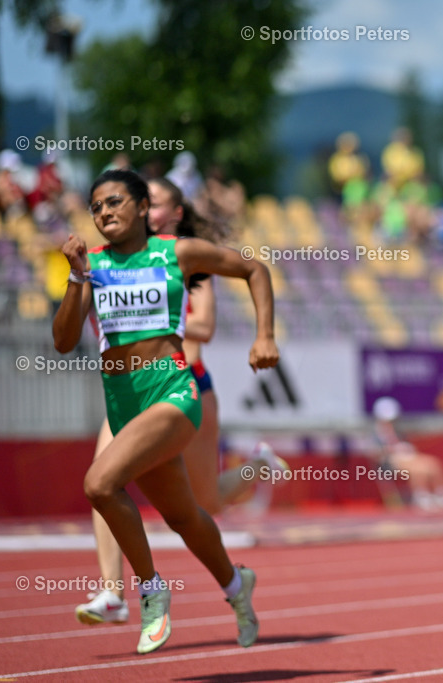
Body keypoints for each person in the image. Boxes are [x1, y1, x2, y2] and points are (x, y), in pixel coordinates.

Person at [52, 169, 278, 654]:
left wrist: (265, 337)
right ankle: (237, 586)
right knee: (184, 516)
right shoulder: (92, 266)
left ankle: (150, 590)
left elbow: (254, 269)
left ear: (139, 207)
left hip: (174, 392)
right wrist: (75, 278)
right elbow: (64, 341)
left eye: (114, 202)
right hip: (123, 403)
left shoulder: (175, 252)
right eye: (96, 207)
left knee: (99, 483)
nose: (104, 212)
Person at [371, 397, 443, 512]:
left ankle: (442, 493)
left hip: (408, 457)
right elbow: (376, 454)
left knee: (433, 463)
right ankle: (421, 496)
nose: (389, 422)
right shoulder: (375, 433)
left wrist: (405, 449)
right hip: (389, 462)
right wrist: (391, 450)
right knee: (418, 469)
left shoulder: (398, 429)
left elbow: (406, 446)